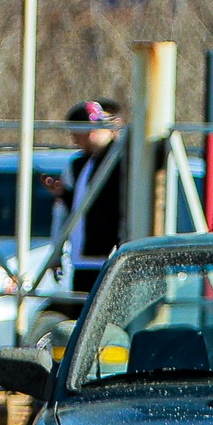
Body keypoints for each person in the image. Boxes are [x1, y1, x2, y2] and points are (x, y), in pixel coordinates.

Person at [41, 100, 127, 292]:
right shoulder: (79, 165)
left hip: (111, 260)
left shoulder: (123, 162)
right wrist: (63, 194)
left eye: (76, 133)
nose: (74, 141)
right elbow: (72, 212)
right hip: (82, 261)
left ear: (91, 130)